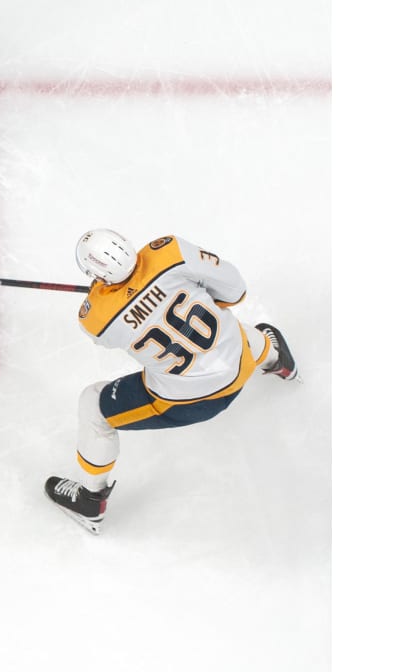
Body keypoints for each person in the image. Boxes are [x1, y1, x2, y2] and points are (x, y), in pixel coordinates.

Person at [44, 229, 299, 534]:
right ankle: (278, 361)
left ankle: (90, 500)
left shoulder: (95, 317)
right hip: (240, 363)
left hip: (189, 403)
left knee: (93, 405)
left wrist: (108, 295)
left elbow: (105, 336)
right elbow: (235, 292)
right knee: (231, 332)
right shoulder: (169, 253)